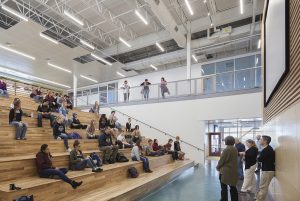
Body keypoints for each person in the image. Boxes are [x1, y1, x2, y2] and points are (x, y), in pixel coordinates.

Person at [216, 136, 238, 201]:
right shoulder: (234, 149)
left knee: (224, 187)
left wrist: (217, 167)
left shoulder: (226, 150)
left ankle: (224, 199)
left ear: (226, 141)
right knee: (233, 187)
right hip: (233, 171)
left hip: (225, 172)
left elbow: (222, 161)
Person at [256, 135, 275, 201]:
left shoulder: (267, 150)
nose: (260, 141)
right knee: (262, 187)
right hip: (267, 170)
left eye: (261, 139)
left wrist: (258, 158)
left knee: (263, 188)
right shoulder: (267, 149)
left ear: (265, 141)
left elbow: (260, 159)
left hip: (268, 171)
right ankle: (258, 198)